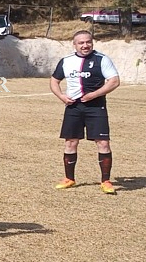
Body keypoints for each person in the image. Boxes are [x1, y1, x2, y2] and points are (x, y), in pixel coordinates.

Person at [49, 30, 120, 194]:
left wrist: (94, 95)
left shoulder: (102, 59)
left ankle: (106, 181)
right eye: (81, 43)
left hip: (96, 107)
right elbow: (54, 81)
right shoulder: (66, 61)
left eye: (88, 42)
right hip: (73, 107)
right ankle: (69, 178)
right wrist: (61, 96)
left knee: (103, 143)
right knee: (70, 142)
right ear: (74, 44)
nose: (85, 45)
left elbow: (114, 81)